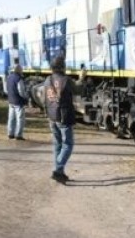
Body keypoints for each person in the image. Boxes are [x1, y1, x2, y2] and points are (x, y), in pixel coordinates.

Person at [43, 55, 76, 183]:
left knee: (58, 145)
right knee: (68, 145)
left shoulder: (47, 80)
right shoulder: (66, 80)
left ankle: (60, 173)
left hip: (52, 116)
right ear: (62, 66)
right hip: (64, 116)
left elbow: (44, 99)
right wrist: (83, 78)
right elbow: (78, 89)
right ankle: (58, 169)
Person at [5, 63, 28, 140]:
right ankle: (18, 135)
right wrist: (25, 98)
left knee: (11, 118)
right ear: (19, 70)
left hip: (11, 101)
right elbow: (21, 91)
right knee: (20, 119)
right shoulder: (19, 79)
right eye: (21, 69)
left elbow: (5, 89)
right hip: (18, 102)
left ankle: (10, 133)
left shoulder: (9, 77)